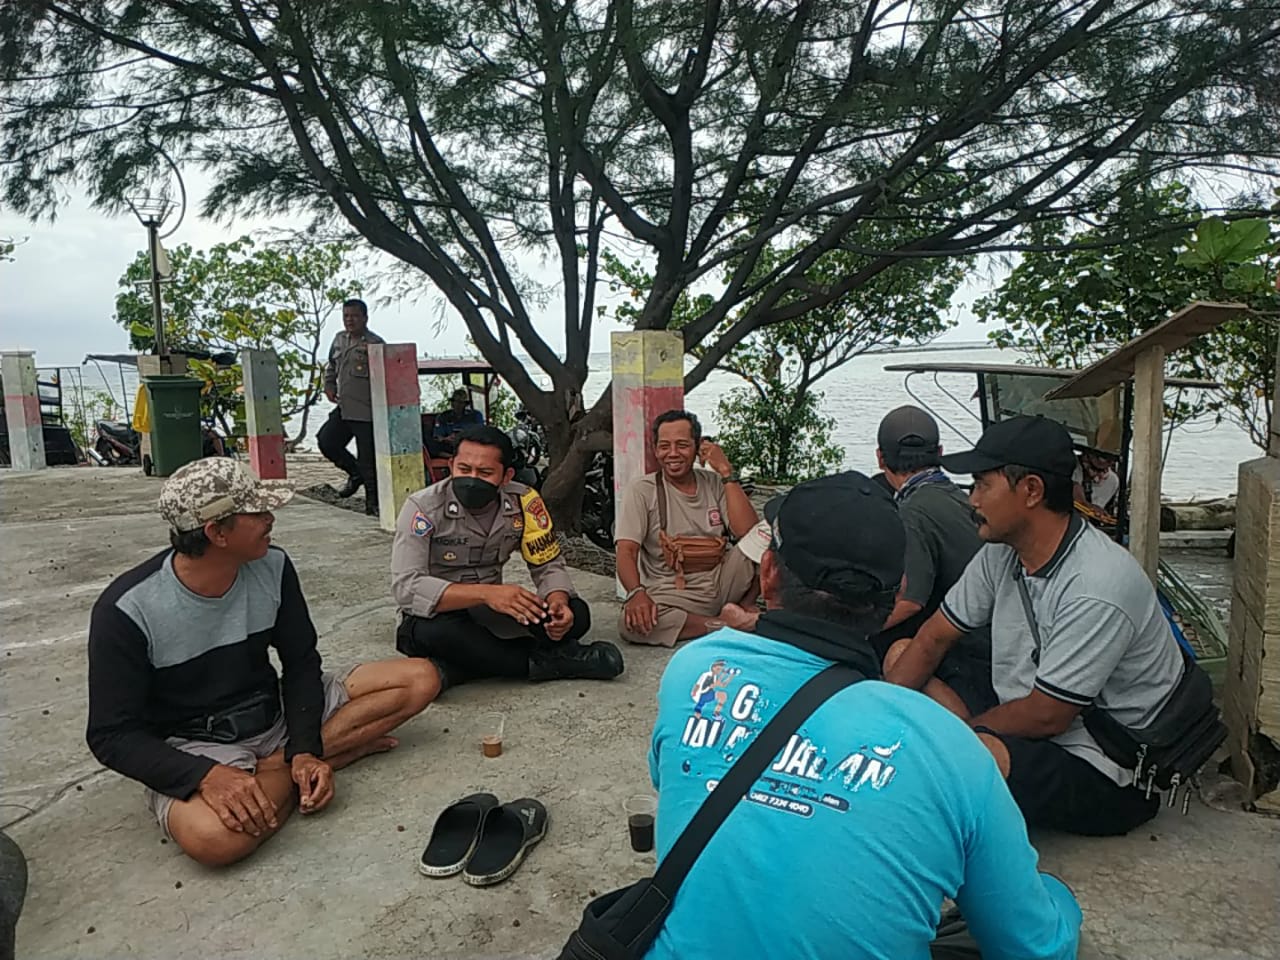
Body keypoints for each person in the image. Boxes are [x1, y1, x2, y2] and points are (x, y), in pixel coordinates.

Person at [645, 472, 1082, 959]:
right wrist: (1058, 897)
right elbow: (1036, 947)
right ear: (897, 594)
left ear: (768, 573)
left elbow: (673, 785)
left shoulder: (696, 672)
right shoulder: (948, 746)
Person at [86, 458, 440, 868]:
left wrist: (303, 749)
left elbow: (301, 662)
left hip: (275, 714)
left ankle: (283, 767)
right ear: (217, 533)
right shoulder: (127, 611)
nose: (270, 518)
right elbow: (112, 735)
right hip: (200, 746)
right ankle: (324, 758)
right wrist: (206, 777)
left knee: (420, 678)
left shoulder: (273, 566)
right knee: (214, 840)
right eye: (256, 512)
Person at [884, 416, 1185, 836]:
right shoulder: (1001, 552)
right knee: (901, 654)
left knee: (972, 756)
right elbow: (933, 638)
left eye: (982, 485)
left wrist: (960, 739)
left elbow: (1048, 716)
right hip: (1027, 708)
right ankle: (949, 764)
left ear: (1031, 490)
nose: (972, 500)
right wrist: (877, 717)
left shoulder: (1097, 584)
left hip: (1104, 763)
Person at [393, 425, 624, 686]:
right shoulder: (423, 508)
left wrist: (557, 600)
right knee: (435, 635)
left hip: (492, 613)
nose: (472, 479)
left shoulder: (523, 502)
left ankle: (472, 665)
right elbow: (407, 587)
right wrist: (487, 593)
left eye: (485, 473)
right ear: (451, 465)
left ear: (506, 476)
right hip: (440, 614)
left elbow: (547, 563)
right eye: (464, 469)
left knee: (576, 614)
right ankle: (552, 662)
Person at [874, 406, 995, 718]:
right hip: (997, 639)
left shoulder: (913, 510)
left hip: (975, 652)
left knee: (892, 652)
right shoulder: (957, 497)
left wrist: (852, 629)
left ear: (880, 458)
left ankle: (969, 732)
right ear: (939, 453)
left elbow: (910, 602)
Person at [616, 411, 759, 647]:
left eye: (682, 445)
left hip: (723, 582)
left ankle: (745, 606)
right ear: (655, 450)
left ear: (698, 447)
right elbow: (626, 550)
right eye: (664, 446)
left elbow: (749, 533)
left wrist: (726, 472)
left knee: (768, 534)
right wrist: (636, 593)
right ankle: (727, 624)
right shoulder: (642, 490)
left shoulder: (713, 482)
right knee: (629, 624)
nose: (672, 453)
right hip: (673, 593)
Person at [318, 298, 384, 515]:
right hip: (344, 408)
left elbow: (385, 377)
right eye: (346, 316)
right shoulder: (339, 339)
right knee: (327, 441)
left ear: (365, 318)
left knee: (368, 460)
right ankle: (354, 474)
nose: (350, 320)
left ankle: (373, 504)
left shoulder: (375, 343)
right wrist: (329, 385)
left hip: (366, 411)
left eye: (354, 316)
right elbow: (331, 365)